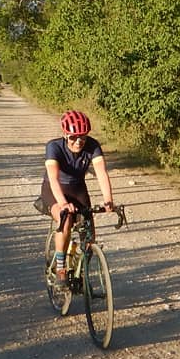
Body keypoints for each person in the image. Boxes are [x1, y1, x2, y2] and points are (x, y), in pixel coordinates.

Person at [40, 110, 115, 285]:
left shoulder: (93, 146)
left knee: (89, 235)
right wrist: (63, 203)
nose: (79, 141)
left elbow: (102, 173)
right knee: (65, 220)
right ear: (65, 135)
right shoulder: (54, 147)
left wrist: (108, 200)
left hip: (78, 188)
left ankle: (81, 269)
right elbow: (53, 178)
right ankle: (60, 269)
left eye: (83, 136)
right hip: (54, 189)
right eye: (74, 137)